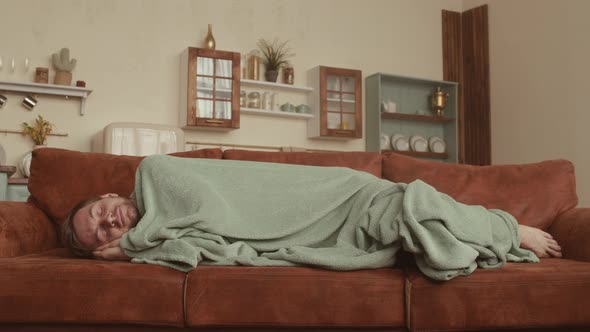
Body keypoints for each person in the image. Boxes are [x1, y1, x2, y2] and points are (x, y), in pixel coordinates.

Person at [62, 190, 563, 262]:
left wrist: (130, 242)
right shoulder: (158, 242)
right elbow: (208, 249)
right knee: (404, 233)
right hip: (313, 233)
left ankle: (504, 229)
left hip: (334, 194)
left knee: (397, 205)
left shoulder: (155, 175)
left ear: (109, 195)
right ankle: (489, 235)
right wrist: (132, 247)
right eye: (100, 234)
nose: (109, 224)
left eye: (100, 214)